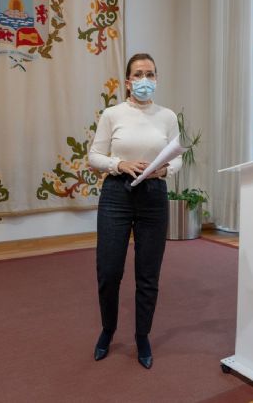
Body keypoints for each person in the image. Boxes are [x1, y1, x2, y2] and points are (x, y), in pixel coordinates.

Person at [88, 53, 182, 369]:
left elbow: (178, 157)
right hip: (117, 194)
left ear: (157, 79)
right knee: (109, 270)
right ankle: (108, 330)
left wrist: (165, 170)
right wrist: (120, 164)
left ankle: (143, 335)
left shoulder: (167, 116)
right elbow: (94, 156)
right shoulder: (112, 114)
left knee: (148, 273)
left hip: (153, 195)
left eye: (150, 74)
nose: (145, 80)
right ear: (128, 81)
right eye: (138, 74)